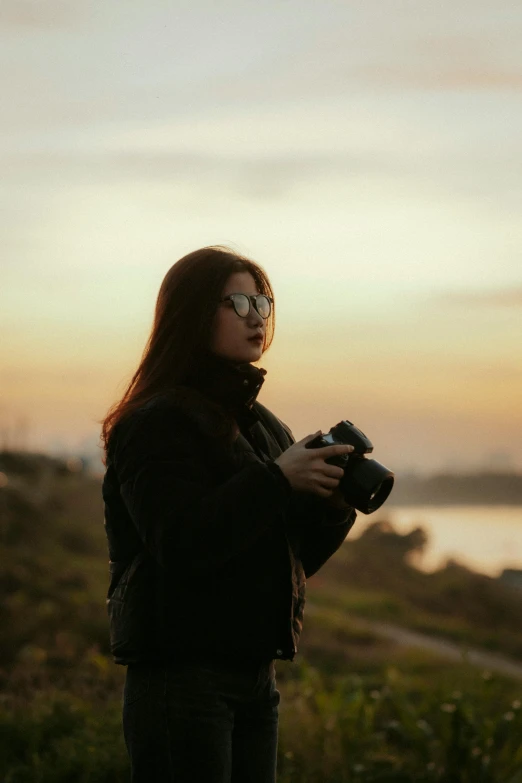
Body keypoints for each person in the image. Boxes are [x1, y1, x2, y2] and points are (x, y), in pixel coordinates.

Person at [100, 245, 357, 783]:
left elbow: (290, 560)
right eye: (237, 301)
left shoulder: (264, 426)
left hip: (254, 677)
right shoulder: (155, 421)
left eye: (263, 302)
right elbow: (180, 541)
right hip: (181, 677)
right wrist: (277, 480)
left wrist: (333, 506)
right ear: (191, 313)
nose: (256, 316)